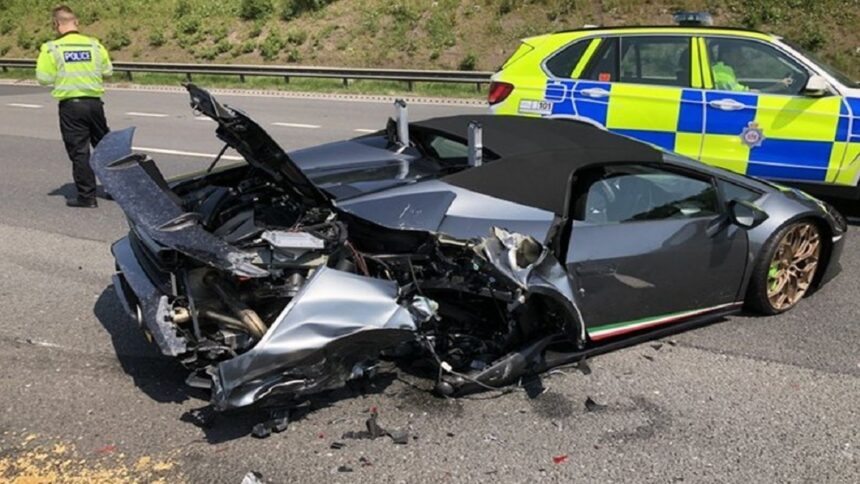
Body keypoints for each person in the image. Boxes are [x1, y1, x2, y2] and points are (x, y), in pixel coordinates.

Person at [36, 5, 112, 208]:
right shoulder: (94, 45)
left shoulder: (51, 48)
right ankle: (117, 190)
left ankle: (87, 197)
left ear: (56, 24)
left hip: (71, 107)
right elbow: (108, 71)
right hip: (95, 104)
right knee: (105, 148)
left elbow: (43, 78)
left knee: (80, 152)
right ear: (76, 22)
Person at [711, 42, 794, 94]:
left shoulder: (723, 69)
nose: (742, 55)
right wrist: (775, 88)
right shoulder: (722, 72)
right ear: (726, 55)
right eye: (738, 52)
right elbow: (746, 95)